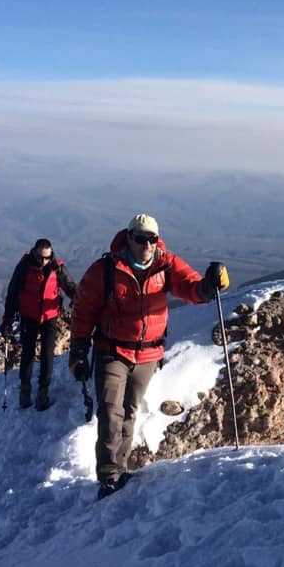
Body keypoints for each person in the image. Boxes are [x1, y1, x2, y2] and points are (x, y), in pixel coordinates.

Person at [68, 213, 229, 498]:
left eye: (152, 238)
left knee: (130, 412)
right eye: (141, 238)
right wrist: (79, 350)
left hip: (148, 354)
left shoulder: (166, 265)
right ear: (129, 238)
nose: (147, 244)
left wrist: (210, 285)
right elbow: (84, 309)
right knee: (110, 412)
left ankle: (120, 467)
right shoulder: (106, 270)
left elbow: (190, 287)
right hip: (112, 351)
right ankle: (109, 476)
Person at [0, 238, 78, 410]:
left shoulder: (57, 267)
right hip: (29, 316)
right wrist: (7, 319)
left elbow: (70, 287)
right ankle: (25, 392)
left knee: (47, 354)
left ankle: (43, 392)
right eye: (41, 257)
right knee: (27, 353)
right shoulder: (24, 267)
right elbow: (13, 293)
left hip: (50, 317)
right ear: (34, 253)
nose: (44, 261)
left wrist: (81, 300)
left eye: (47, 258)